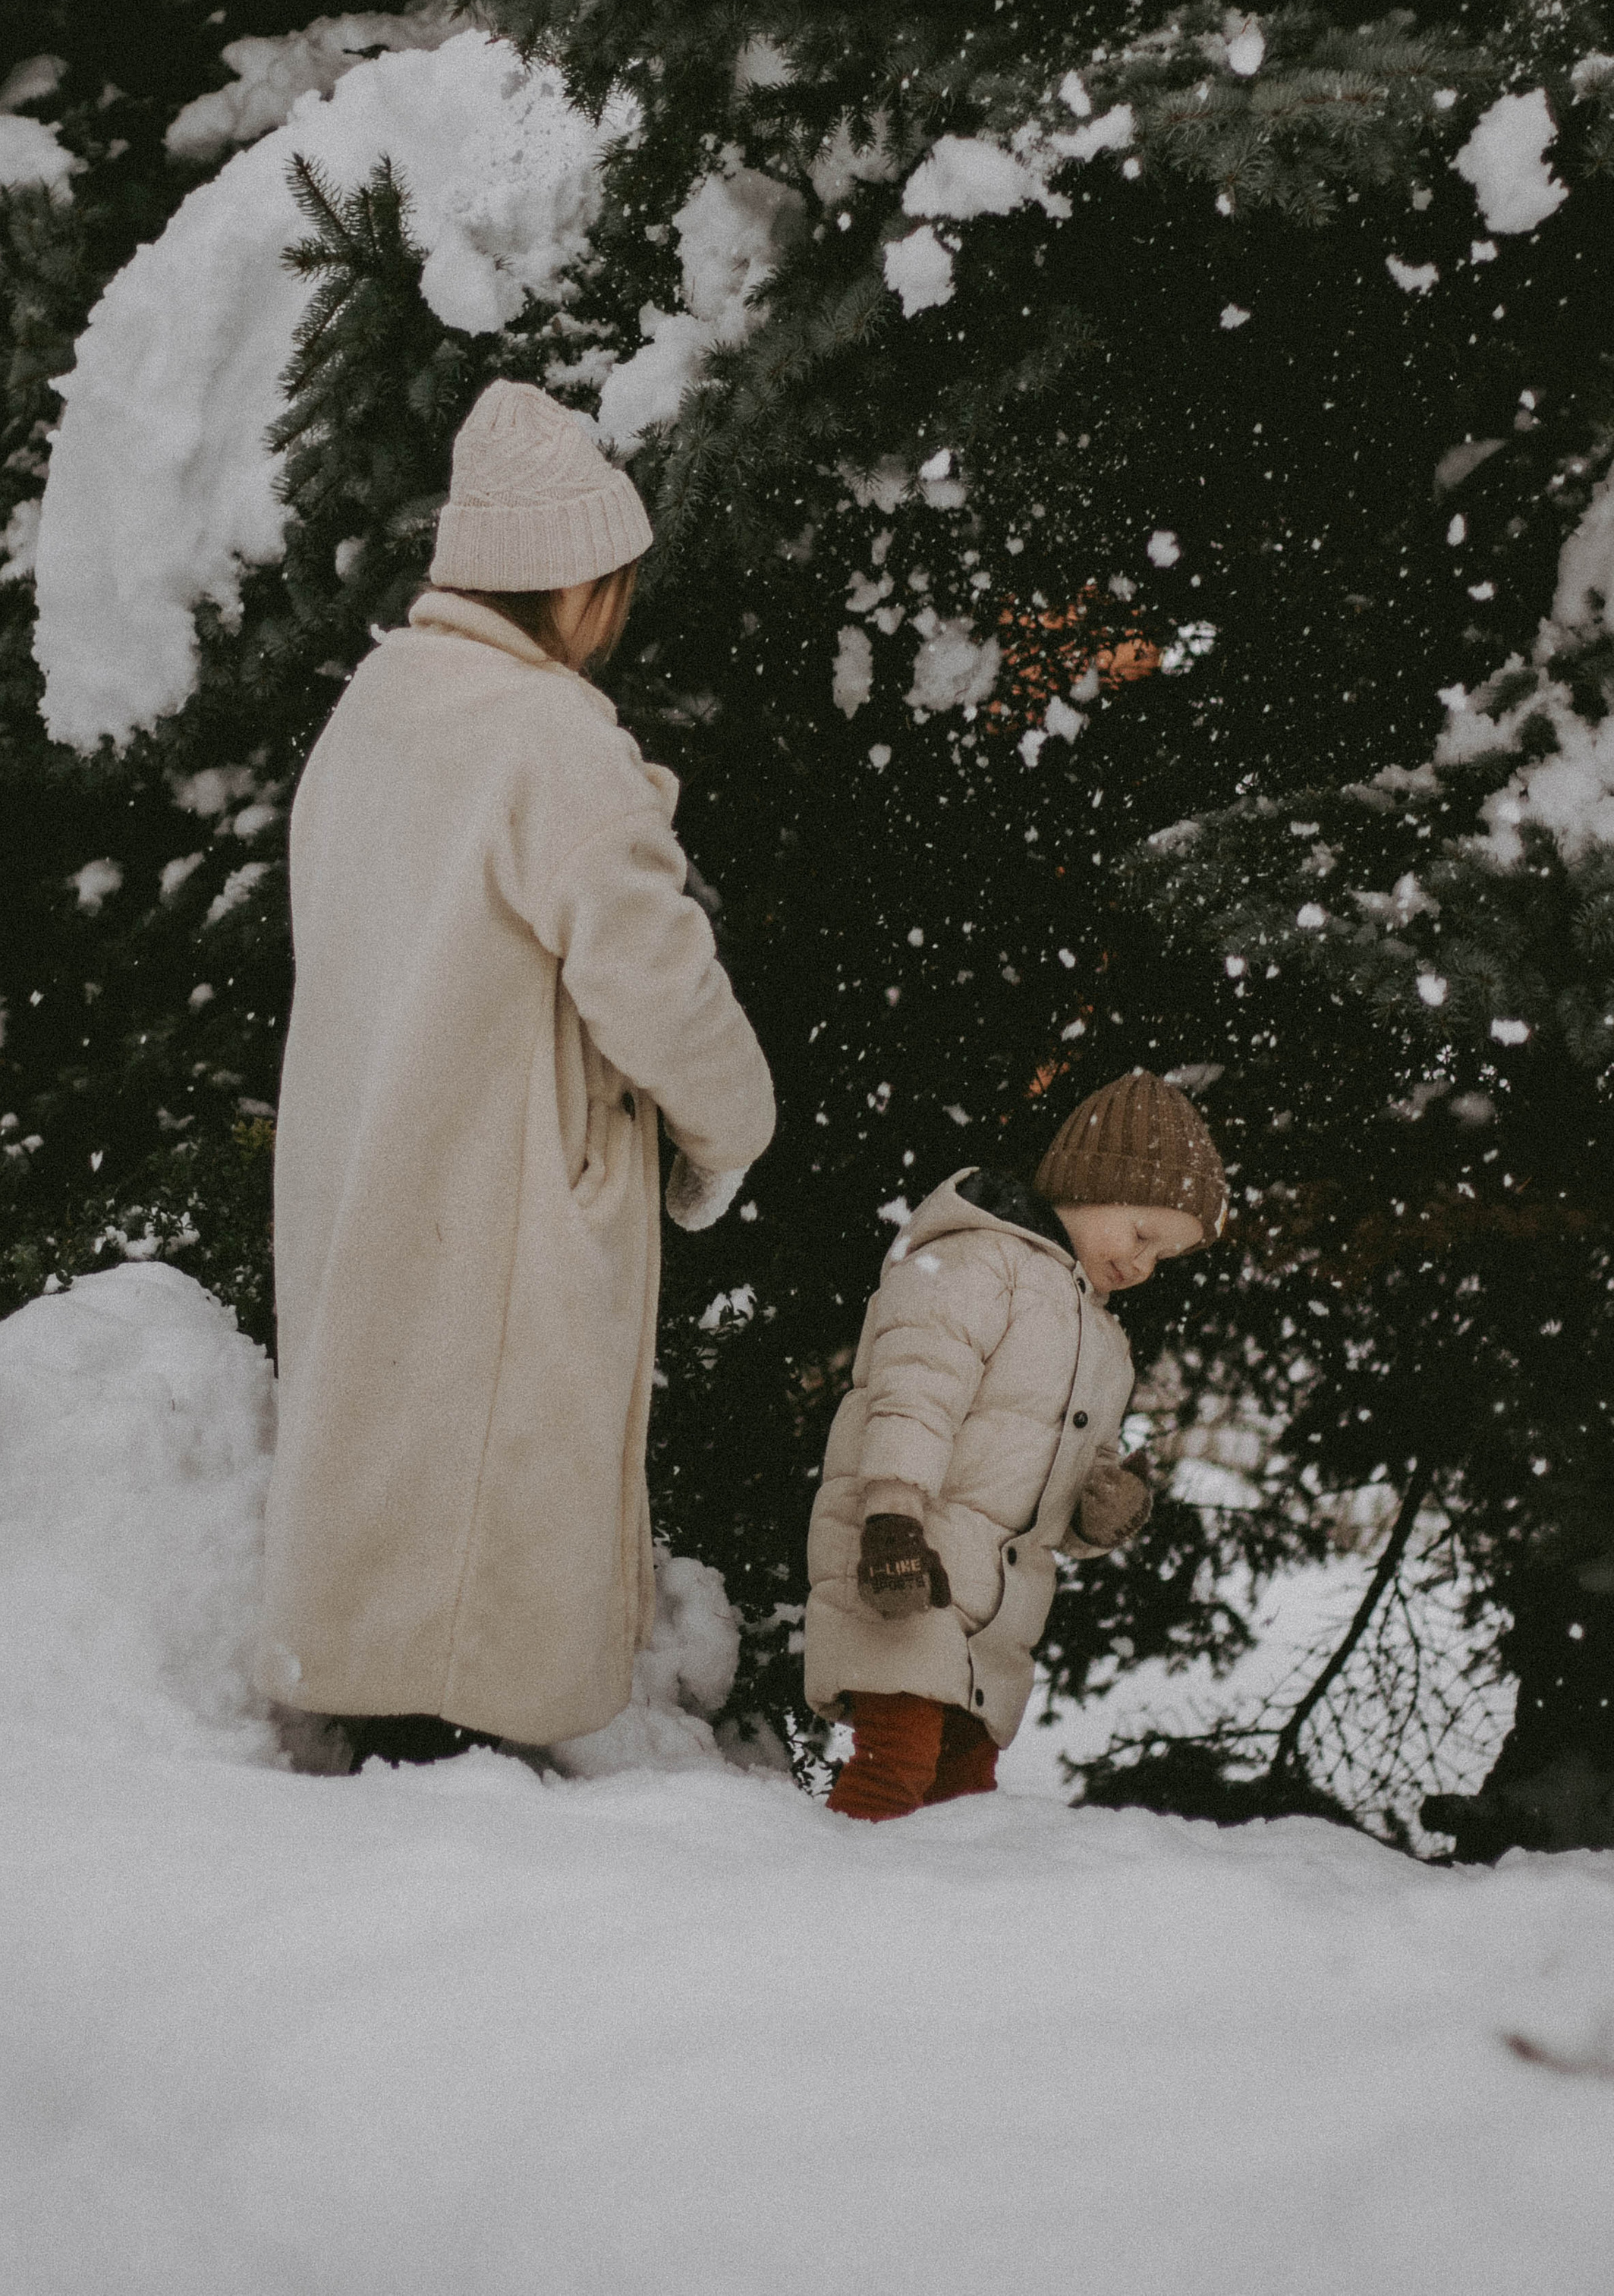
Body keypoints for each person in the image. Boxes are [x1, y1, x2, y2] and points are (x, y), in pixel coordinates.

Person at [254, 379, 776, 1763]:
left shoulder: (379, 703)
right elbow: (657, 982)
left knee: (391, 1441)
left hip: (369, 1154)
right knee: (490, 1480)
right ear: (576, 584)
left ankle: (370, 1704)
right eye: (617, 585)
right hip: (506, 1181)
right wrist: (731, 1126)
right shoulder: (550, 740)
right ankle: (460, 1764)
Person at [804, 1070, 1227, 1821]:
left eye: (1163, 1257)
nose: (1141, 1266)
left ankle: (941, 1932)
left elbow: (1064, 1479)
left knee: (962, 1795)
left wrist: (1103, 1509)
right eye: (1140, 1234)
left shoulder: (1104, 1341)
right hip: (907, 1564)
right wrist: (892, 1517)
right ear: (1089, 1185)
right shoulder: (977, 1262)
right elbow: (914, 1391)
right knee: (895, 1768)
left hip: (998, 1611)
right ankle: (825, 1914)